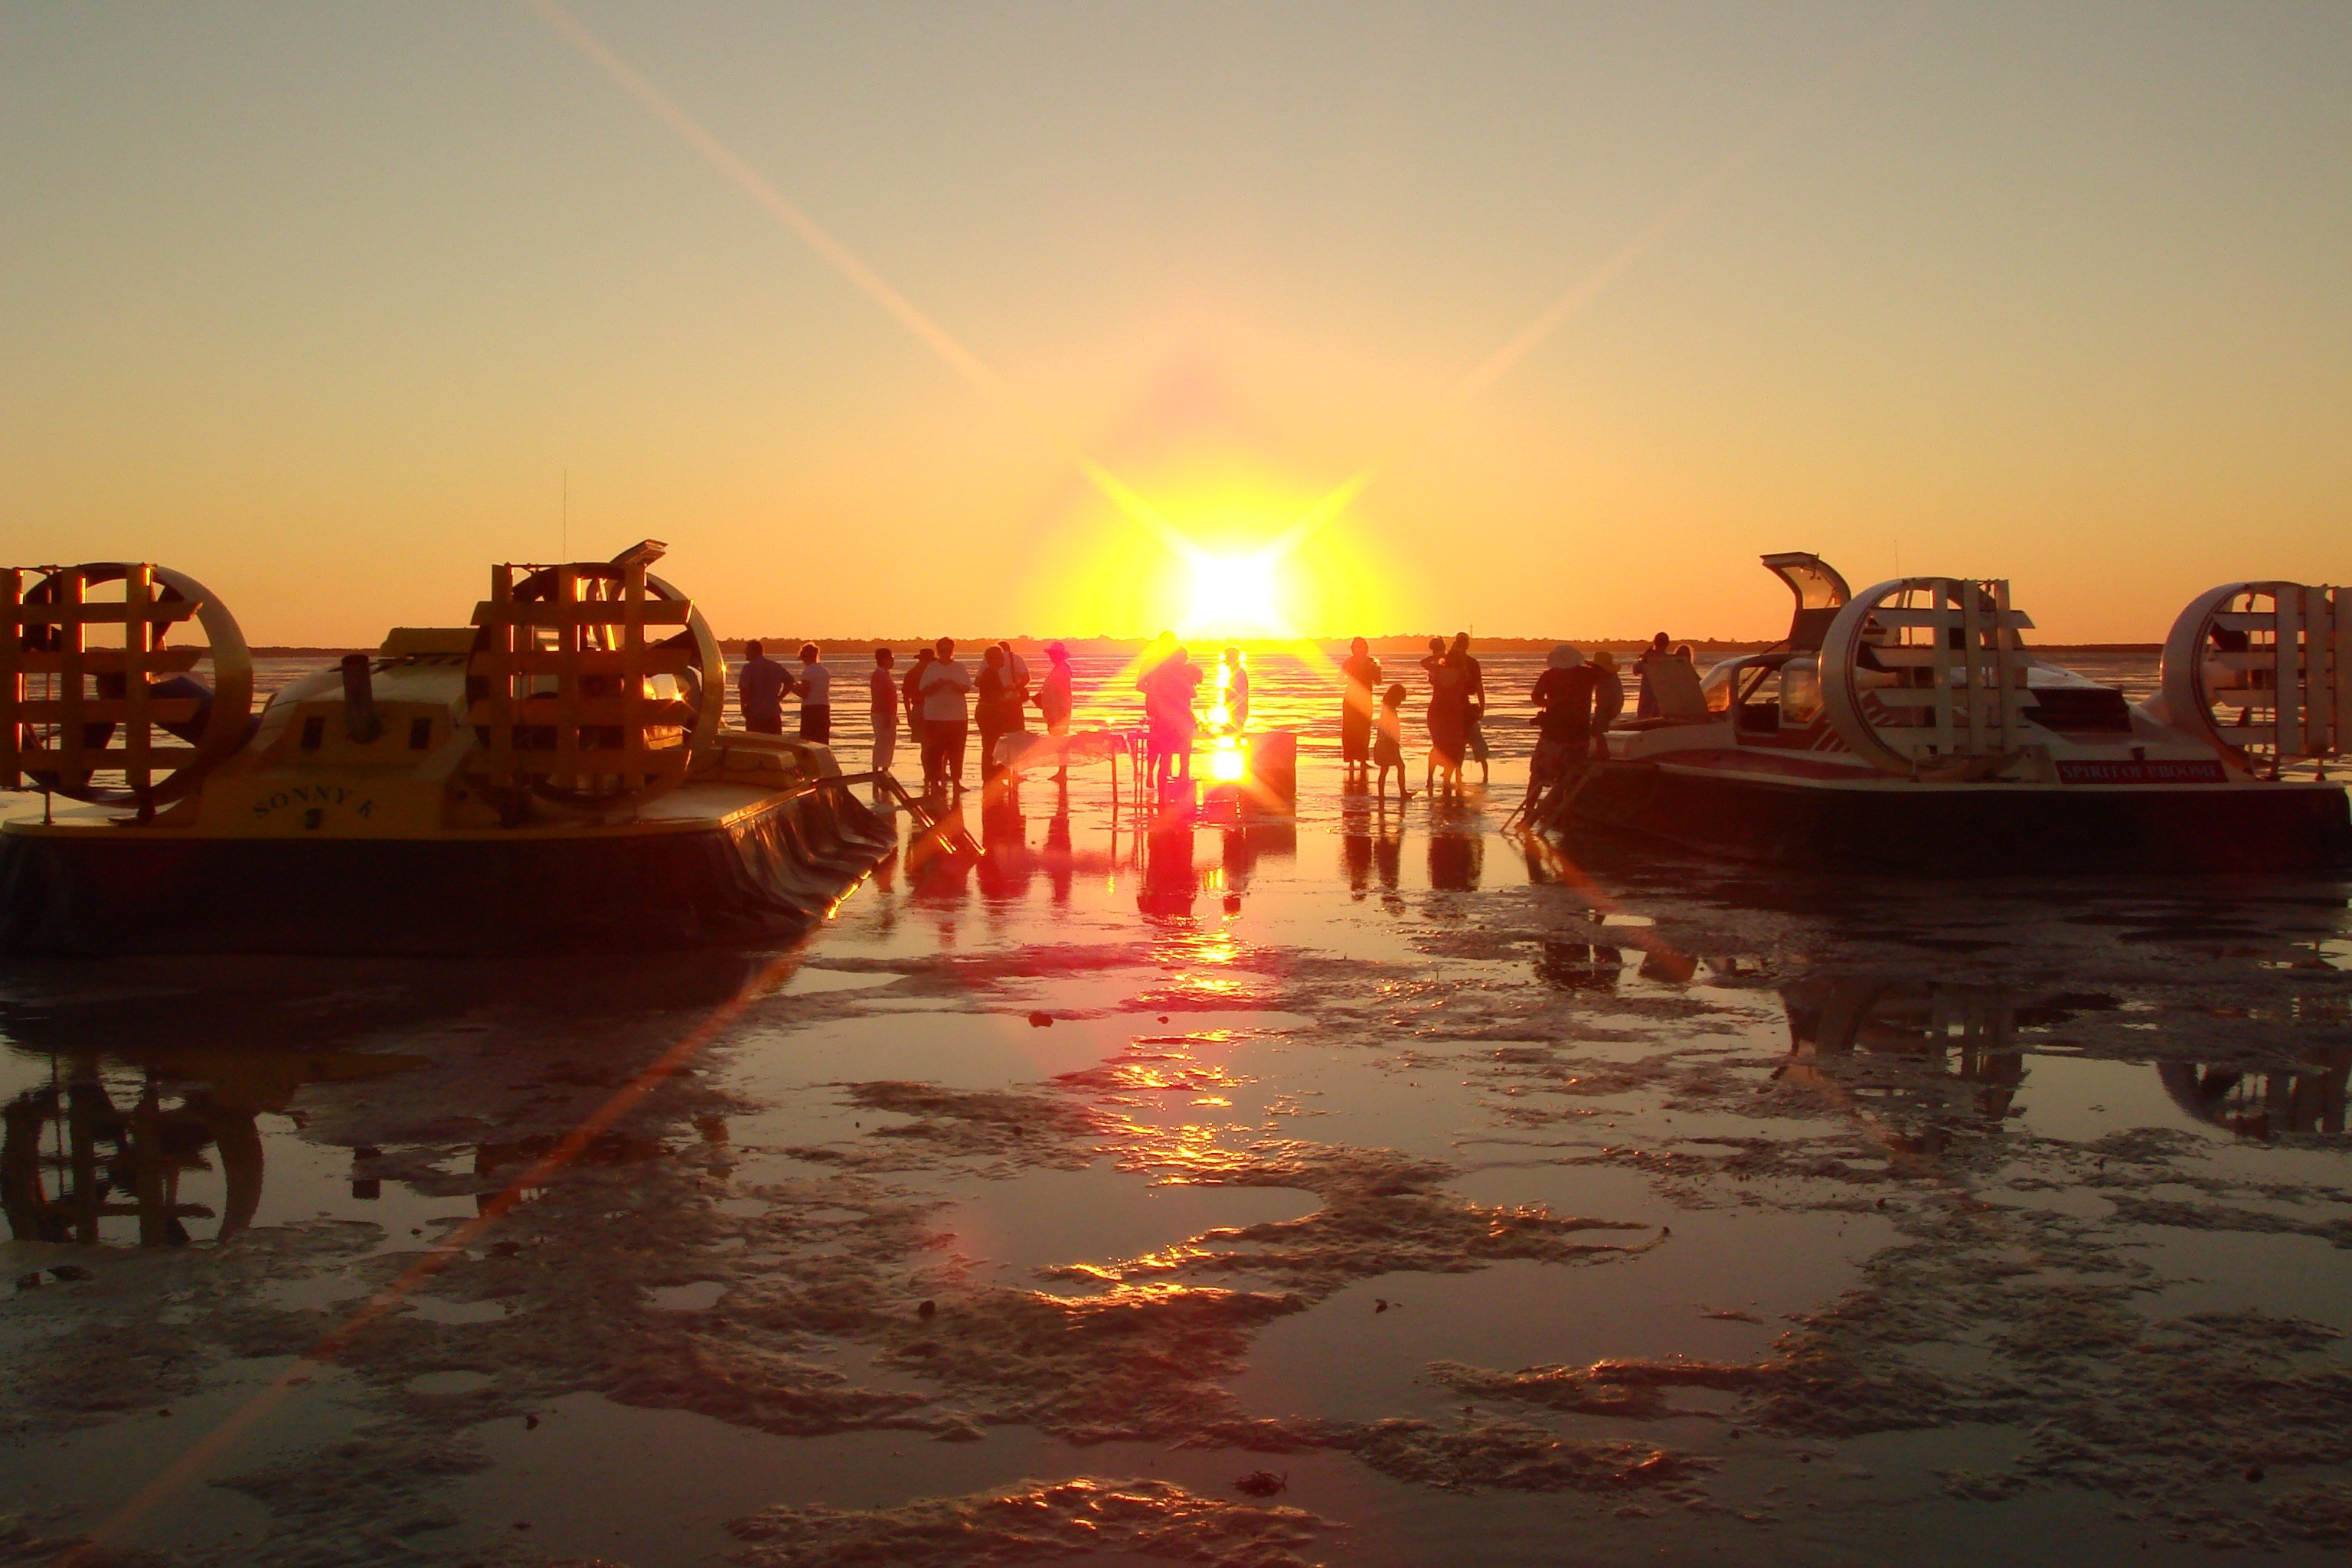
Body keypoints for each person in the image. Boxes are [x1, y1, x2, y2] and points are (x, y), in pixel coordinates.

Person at [1517, 644, 1597, 817]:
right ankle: (1565, 814)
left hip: (1554, 734)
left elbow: (1535, 697)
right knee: (1571, 777)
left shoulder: (1550, 676)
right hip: (1578, 733)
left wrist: (1548, 704)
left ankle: (1530, 812)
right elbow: (1606, 675)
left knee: (1539, 774)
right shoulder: (1587, 675)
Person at [917, 637, 974, 795]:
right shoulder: (931, 668)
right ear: (938, 651)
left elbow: (967, 688)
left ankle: (956, 782)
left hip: (957, 717)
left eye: (948, 651)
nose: (946, 654)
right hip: (935, 717)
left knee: (957, 752)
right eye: (942, 651)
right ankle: (935, 783)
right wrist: (938, 684)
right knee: (935, 752)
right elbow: (923, 690)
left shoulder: (959, 668)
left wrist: (954, 685)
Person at [1423, 638, 1470, 795]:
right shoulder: (1462, 673)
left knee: (1438, 746)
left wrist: (1439, 656)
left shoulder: (1438, 670)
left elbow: (1424, 662)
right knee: (1454, 748)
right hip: (1452, 713)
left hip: (1437, 712)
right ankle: (1447, 779)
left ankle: (1430, 778)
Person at [975, 645, 1027, 786]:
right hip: (989, 712)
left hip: (987, 711)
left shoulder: (991, 673)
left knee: (991, 745)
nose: (1003, 660)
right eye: (1000, 658)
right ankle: (990, 779)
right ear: (994, 659)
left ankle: (991, 777)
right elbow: (993, 696)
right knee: (990, 746)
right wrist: (1010, 698)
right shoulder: (991, 673)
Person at [1339, 637, 1380, 779]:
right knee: (1351, 730)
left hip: (1363, 699)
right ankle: (1352, 761)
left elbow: (1378, 681)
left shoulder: (1370, 662)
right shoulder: (1352, 662)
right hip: (1353, 699)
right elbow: (1339, 680)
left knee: (1363, 729)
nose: (1360, 650)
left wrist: (1376, 671)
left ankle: (1362, 760)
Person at [1453, 632, 1489, 785]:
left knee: (1459, 741)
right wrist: (1482, 706)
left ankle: (1457, 771)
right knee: (1473, 740)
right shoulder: (1470, 662)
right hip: (1461, 705)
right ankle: (1480, 774)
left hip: (1456, 705)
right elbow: (1479, 687)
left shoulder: (1455, 661)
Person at [1037, 642, 1075, 782]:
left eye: (1053, 654)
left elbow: (1059, 694)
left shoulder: (1062, 670)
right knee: (1060, 742)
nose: (1051, 657)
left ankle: (1062, 772)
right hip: (1057, 710)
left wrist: (1054, 713)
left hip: (1059, 712)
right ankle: (1061, 771)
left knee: (1061, 742)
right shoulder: (1060, 669)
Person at [737, 640, 788, 735]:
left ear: (753, 651)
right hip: (773, 713)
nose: (745, 653)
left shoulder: (748, 668)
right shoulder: (775, 666)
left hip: (755, 715)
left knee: (757, 745)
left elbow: (744, 689)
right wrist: (780, 697)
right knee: (775, 745)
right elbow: (790, 682)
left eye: (747, 650)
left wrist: (743, 708)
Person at [1374, 681, 1411, 803]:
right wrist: (1392, 742)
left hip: (1386, 742)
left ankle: (1382, 795)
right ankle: (1402, 792)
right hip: (1388, 743)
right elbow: (1386, 727)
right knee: (1399, 766)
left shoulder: (1387, 708)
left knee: (1385, 769)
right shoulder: (1389, 710)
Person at [792, 643, 832, 744]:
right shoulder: (824, 671)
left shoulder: (808, 671)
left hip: (811, 708)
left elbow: (804, 693)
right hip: (824, 707)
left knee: (808, 740)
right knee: (822, 739)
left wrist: (791, 687)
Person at [869, 648, 898, 783]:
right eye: (891, 658)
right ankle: (878, 771)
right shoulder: (879, 676)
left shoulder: (885, 675)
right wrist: (887, 715)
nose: (893, 661)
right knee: (883, 742)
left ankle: (884, 769)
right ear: (885, 660)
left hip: (887, 713)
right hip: (882, 713)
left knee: (888, 742)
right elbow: (880, 697)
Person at [1590, 649, 1626, 757]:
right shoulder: (1607, 677)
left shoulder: (1609, 679)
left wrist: (1613, 709)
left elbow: (1614, 697)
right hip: (1607, 707)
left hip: (1608, 707)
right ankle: (1601, 750)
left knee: (1599, 729)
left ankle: (1602, 752)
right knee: (1599, 729)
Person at [1635, 632, 1674, 719]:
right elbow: (1636, 670)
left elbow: (1636, 670)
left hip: (1658, 697)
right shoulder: (1649, 658)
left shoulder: (1667, 660)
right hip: (1651, 696)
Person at [1219, 646, 1249, 732]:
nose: (1226, 662)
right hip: (1235, 711)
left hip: (1238, 711)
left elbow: (1238, 694)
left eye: (1227, 658)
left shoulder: (1239, 673)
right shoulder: (1235, 673)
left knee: (1236, 732)